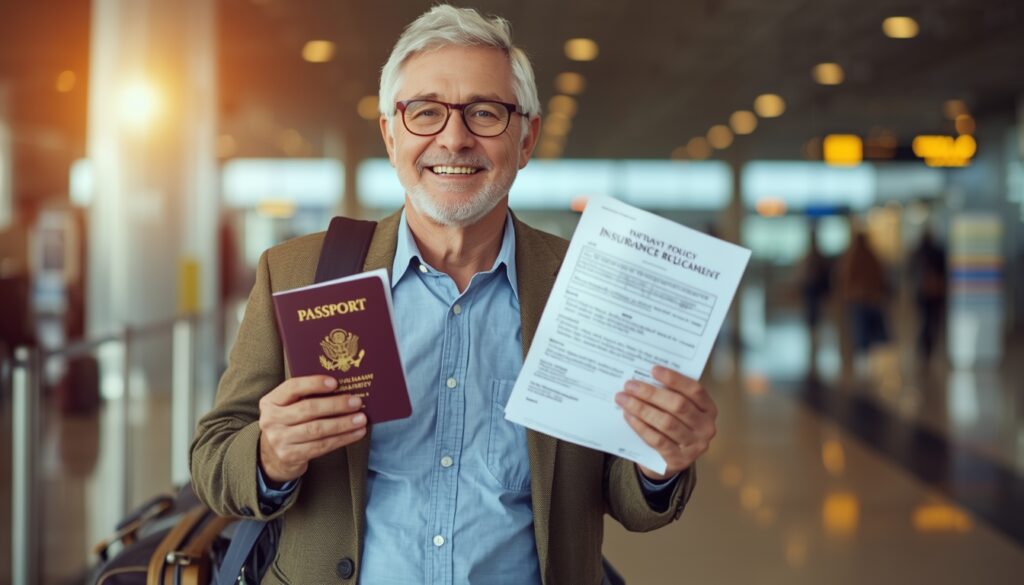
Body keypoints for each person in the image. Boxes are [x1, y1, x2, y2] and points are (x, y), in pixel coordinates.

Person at [190, 6, 718, 584]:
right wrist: (270, 456)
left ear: (526, 138)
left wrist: (659, 461)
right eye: (426, 112)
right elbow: (213, 461)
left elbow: (622, 491)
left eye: (486, 113)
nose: (454, 138)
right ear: (392, 135)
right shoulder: (300, 273)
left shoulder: (586, 286)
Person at [836, 229, 889, 359]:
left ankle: (865, 354)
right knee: (864, 330)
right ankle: (865, 354)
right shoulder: (864, 257)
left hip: (862, 299)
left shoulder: (853, 257)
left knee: (863, 330)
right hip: (865, 299)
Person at [909, 228, 947, 362]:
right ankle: (927, 346)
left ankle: (924, 346)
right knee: (933, 321)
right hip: (935, 293)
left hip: (922, 293)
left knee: (925, 320)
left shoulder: (917, 252)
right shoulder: (937, 251)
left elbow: (911, 272)